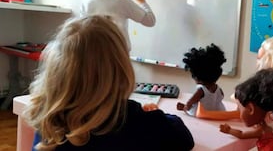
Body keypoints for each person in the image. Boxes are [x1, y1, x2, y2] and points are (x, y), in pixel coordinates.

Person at [24, 15, 194, 151]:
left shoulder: (50, 121)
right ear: (121, 70)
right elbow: (184, 138)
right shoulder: (136, 120)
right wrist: (158, 115)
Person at [196, 34, 273, 120]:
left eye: (259, 58)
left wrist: (204, 114)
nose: (257, 62)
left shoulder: (264, 92)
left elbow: (239, 113)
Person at [219, 64, 273, 151]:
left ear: (250, 109)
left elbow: (241, 134)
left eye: (239, 108)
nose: (238, 112)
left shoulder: (261, 130)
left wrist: (229, 130)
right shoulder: (269, 126)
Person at [176, 43, 227, 116]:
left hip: (201, 113)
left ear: (196, 77)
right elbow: (220, 97)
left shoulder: (201, 90)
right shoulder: (218, 88)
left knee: (188, 110)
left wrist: (185, 107)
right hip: (217, 112)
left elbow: (190, 102)